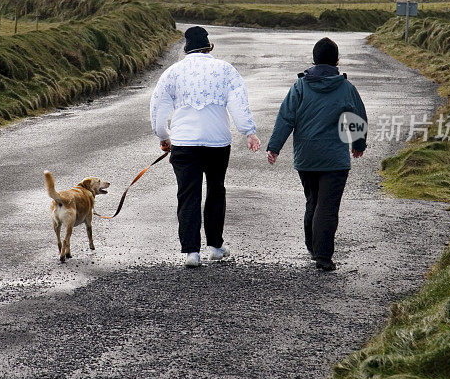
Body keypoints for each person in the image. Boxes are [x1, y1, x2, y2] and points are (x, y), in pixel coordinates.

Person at [150, 26, 261, 267]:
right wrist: (248, 132)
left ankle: (191, 252)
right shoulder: (225, 70)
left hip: (184, 143)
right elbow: (239, 104)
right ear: (209, 47)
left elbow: (158, 110)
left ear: (186, 48)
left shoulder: (173, 72)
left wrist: (164, 136)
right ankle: (216, 247)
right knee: (215, 190)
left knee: (188, 194)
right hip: (217, 142)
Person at [266, 37, 367, 271]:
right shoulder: (345, 88)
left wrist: (274, 147)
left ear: (314, 59)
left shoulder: (300, 86)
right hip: (335, 159)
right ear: (337, 60)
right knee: (327, 206)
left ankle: (312, 247)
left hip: (307, 157)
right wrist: (358, 144)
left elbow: (285, 117)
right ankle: (322, 256)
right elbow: (357, 117)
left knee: (313, 200)